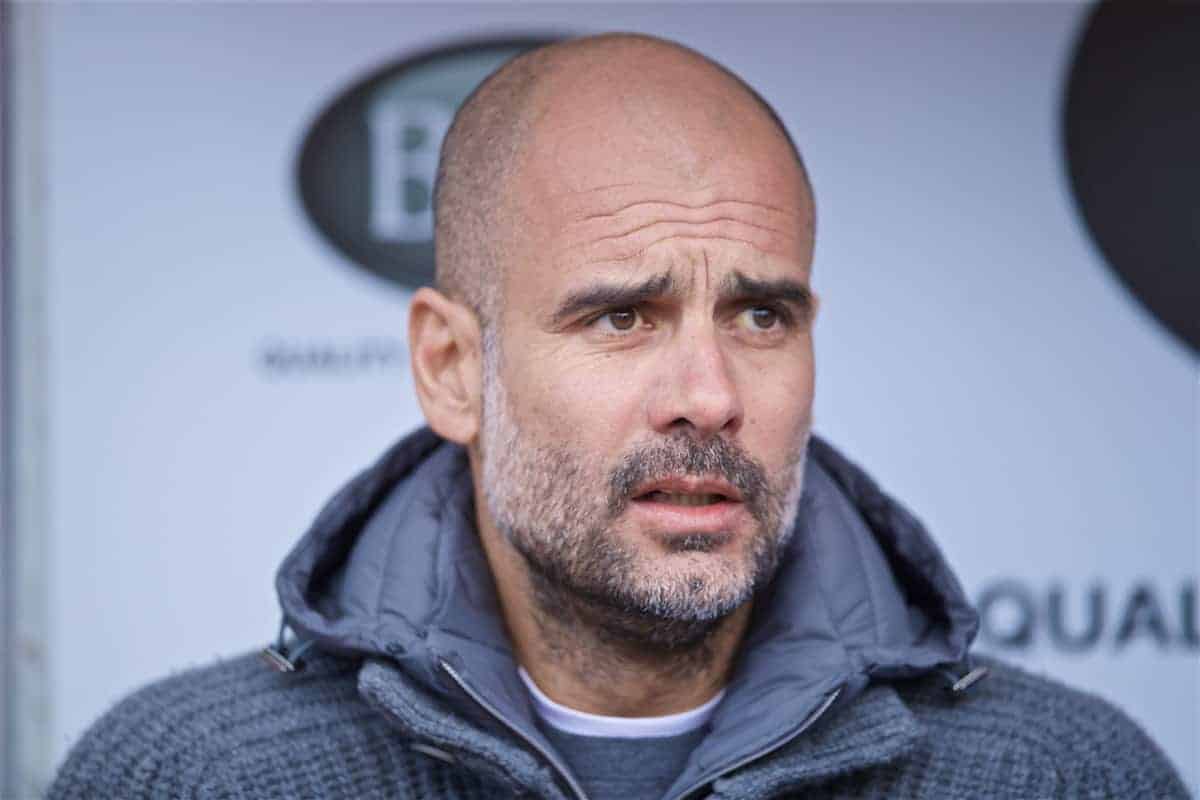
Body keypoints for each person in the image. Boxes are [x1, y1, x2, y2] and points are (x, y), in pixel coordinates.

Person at [49, 33, 1187, 800]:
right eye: (621, 317)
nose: (709, 396)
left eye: (758, 314)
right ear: (450, 366)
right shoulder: (194, 773)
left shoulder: (1060, 773)